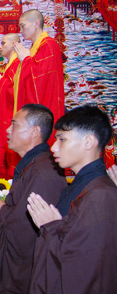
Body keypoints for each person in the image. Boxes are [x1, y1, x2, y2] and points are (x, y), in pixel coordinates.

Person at [27, 105, 117, 294]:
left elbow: (87, 267)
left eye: (62, 139)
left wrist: (51, 227)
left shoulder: (100, 194)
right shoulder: (83, 185)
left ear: (88, 142)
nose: (53, 147)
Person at [0, 104, 66, 294]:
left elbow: (30, 228)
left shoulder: (44, 172)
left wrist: (2, 212)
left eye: (15, 125)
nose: (8, 130)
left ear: (34, 132)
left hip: (28, 273)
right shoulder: (33, 165)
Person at [14, 10, 65, 141]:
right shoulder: (34, 48)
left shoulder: (48, 44)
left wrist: (26, 60)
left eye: (23, 26)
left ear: (36, 23)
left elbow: (40, 80)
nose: (21, 30)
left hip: (46, 105)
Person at [0, 33, 21, 179]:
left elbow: (17, 91)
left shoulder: (17, 64)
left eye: (3, 43)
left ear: (14, 44)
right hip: (6, 115)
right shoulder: (11, 64)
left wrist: (1, 80)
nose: (0, 47)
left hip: (11, 116)